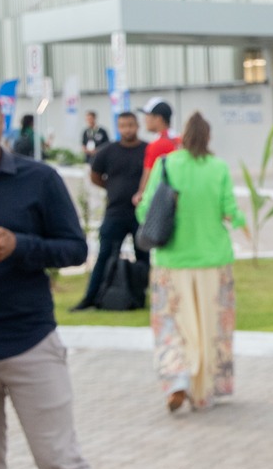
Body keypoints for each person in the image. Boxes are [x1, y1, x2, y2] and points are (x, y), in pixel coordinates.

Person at [0, 87, 135, 469]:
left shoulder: (37, 180)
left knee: (62, 463)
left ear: (0, 121)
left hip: (28, 344)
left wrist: (19, 246)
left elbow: (74, 249)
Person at [136, 113, 245, 413]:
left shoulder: (167, 164)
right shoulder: (218, 167)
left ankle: (177, 379)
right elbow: (229, 210)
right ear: (208, 138)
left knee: (172, 324)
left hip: (172, 260)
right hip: (214, 259)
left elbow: (145, 209)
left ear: (181, 137)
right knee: (211, 327)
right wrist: (241, 222)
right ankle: (205, 391)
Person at [73, 111, 148, 311]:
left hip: (140, 214)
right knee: (104, 255)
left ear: (137, 126)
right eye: (123, 126)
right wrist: (112, 188)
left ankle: (142, 298)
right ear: (118, 127)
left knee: (144, 258)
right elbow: (95, 175)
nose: (127, 129)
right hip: (115, 212)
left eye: (131, 125)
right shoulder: (107, 151)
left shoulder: (147, 150)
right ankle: (91, 297)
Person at [133, 97, 178, 205]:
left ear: (158, 118)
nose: (145, 120)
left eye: (147, 116)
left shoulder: (157, 145)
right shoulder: (180, 139)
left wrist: (140, 194)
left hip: (162, 200)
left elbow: (148, 175)